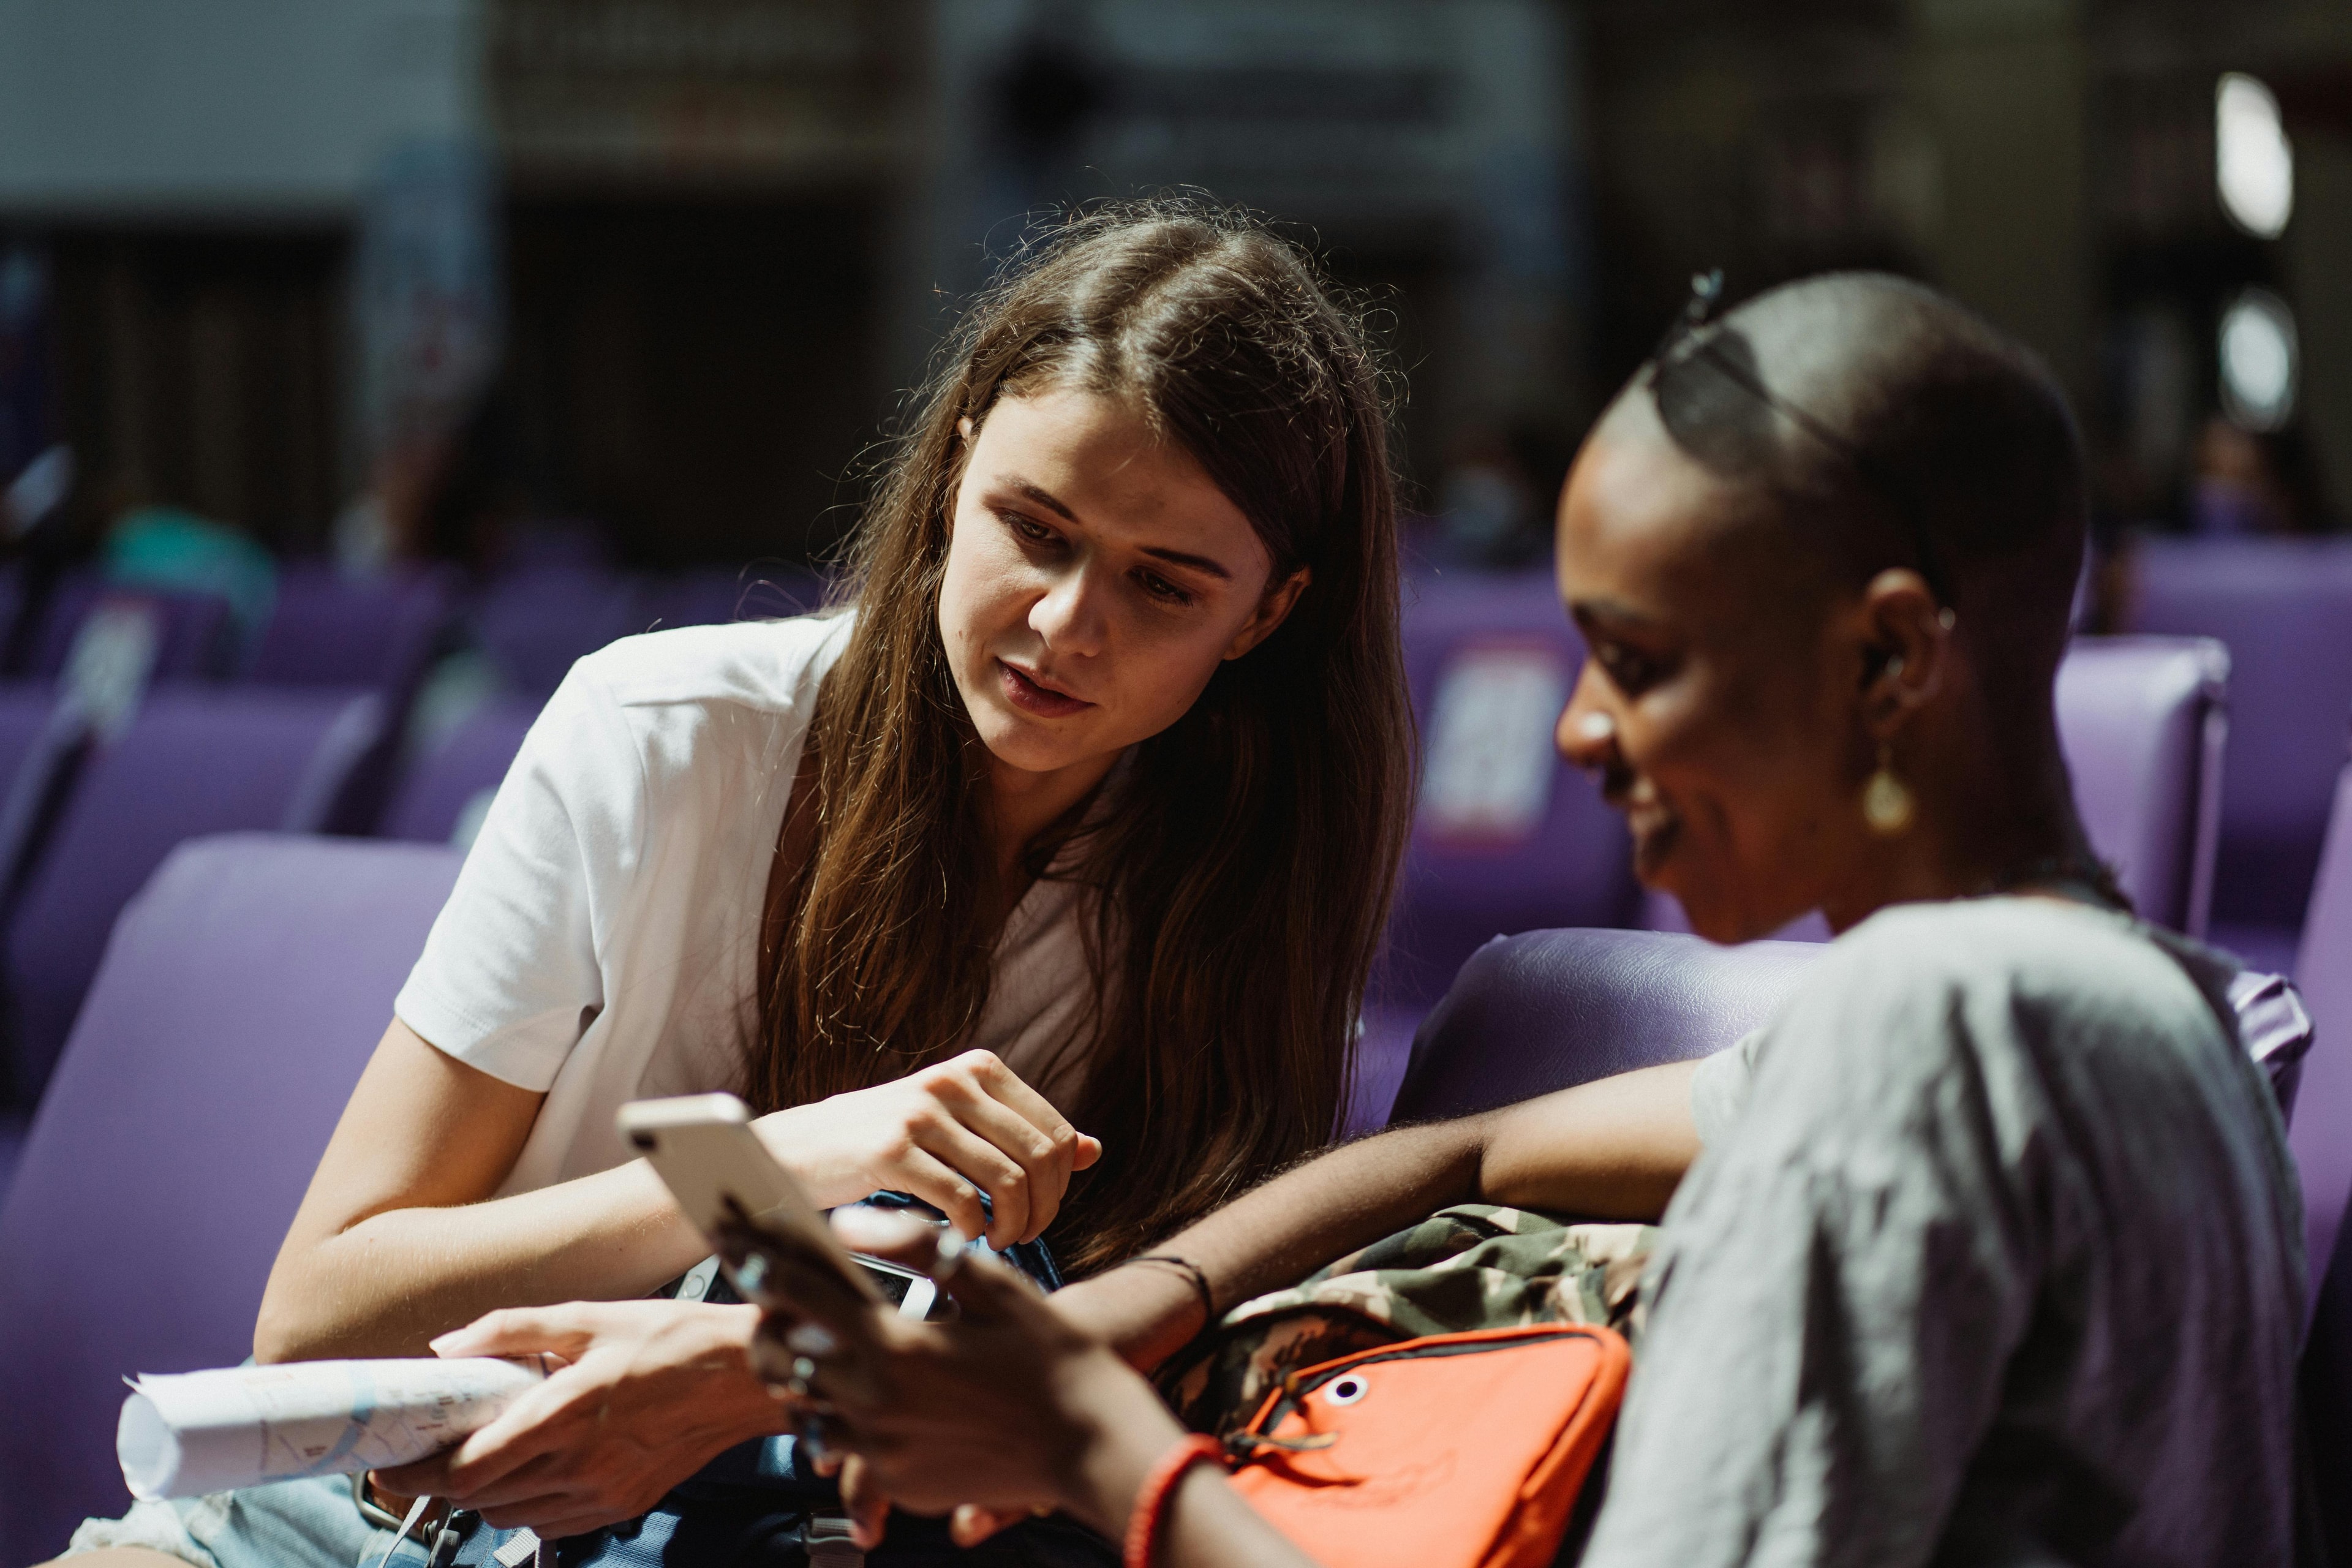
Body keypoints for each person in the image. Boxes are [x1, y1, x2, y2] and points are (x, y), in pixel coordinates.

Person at [748, 272, 2307, 1566]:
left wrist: (1094, 1450)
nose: (1576, 732)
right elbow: (1464, 1150)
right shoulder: (2136, 1000)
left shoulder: (1933, 1036)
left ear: (1889, 663)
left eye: (1635, 658)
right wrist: (1136, 1311)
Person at [60, 203, 1413, 1568]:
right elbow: (321, 1312)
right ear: (954, 465)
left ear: (1271, 611)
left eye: (1163, 585)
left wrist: (780, 1360)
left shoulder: (1240, 881)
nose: (1064, 621)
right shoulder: (657, 733)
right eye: (1032, 525)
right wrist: (787, 1159)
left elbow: (1118, 1389)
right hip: (361, 1518)